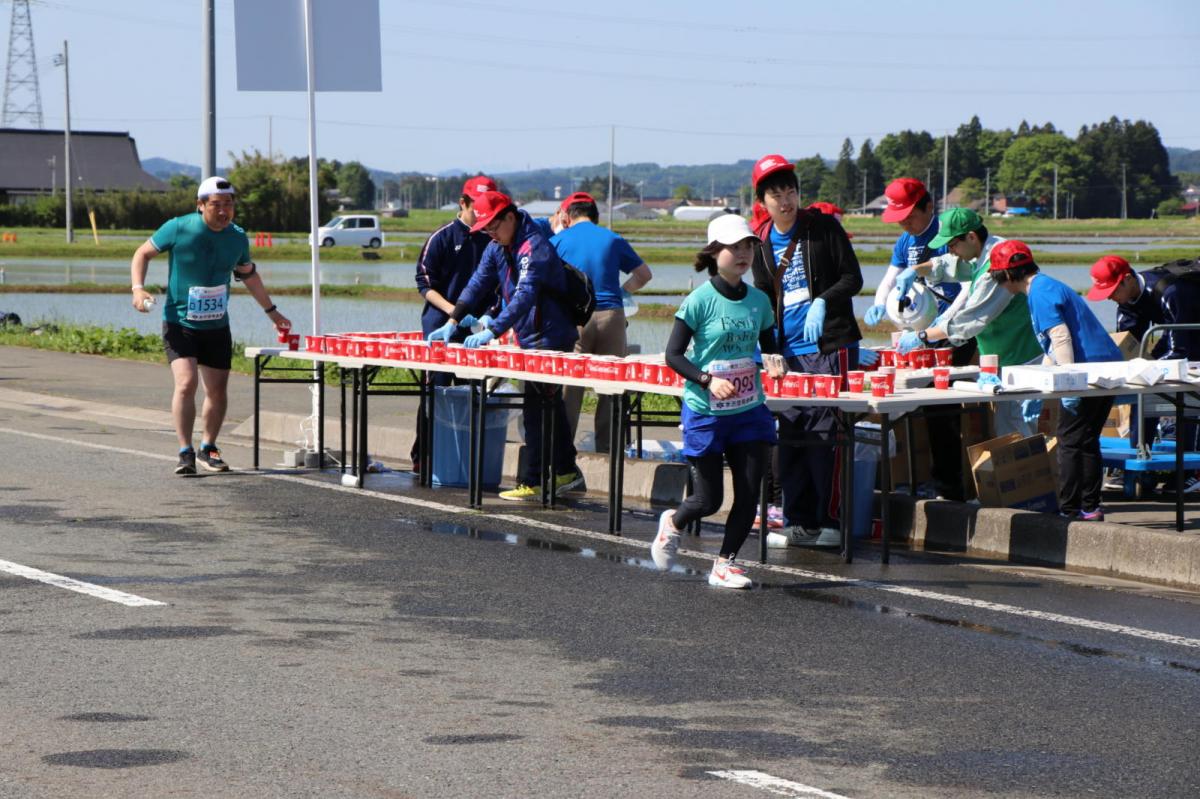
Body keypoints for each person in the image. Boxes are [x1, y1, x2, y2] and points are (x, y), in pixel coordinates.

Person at [651, 213, 782, 589]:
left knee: (749, 493)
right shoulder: (699, 301)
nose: (742, 254)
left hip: (749, 410)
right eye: (733, 247)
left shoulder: (759, 300)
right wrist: (708, 380)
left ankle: (724, 563)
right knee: (707, 501)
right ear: (714, 252)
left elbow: (769, 347)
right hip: (707, 410)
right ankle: (672, 523)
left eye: (748, 247)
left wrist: (775, 364)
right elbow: (674, 355)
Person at [131, 176, 290, 475]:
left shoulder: (237, 237)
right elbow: (143, 253)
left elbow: (249, 275)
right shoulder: (178, 227)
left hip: (217, 325)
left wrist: (273, 312)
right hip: (180, 321)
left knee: (217, 391)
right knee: (186, 383)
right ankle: (184, 451)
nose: (223, 211)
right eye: (216, 205)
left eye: (229, 205)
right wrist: (137, 289)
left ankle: (208, 446)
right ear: (200, 205)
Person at [431, 190, 584, 500]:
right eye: (485, 228)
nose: (490, 233)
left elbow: (526, 295)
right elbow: (478, 282)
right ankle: (567, 472)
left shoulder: (533, 246)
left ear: (510, 217)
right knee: (547, 406)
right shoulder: (498, 245)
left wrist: (494, 329)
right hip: (529, 335)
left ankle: (535, 479)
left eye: (493, 227)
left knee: (536, 408)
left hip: (550, 337)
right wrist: (452, 319)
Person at [748, 154, 864, 547]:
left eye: (790, 191)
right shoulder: (762, 242)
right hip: (788, 353)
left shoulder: (822, 228)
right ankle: (799, 521)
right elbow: (764, 299)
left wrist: (823, 301)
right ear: (762, 201)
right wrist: (766, 347)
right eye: (776, 194)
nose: (785, 200)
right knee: (791, 435)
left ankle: (829, 523)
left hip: (828, 344)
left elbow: (853, 277)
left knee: (825, 433)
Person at [991, 240, 1122, 520]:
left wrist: (1069, 383)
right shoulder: (1047, 285)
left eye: (999, 279)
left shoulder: (1038, 292)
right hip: (1106, 368)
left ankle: (1069, 509)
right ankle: (1090, 507)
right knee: (1086, 439)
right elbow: (1053, 345)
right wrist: (1040, 382)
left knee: (1069, 440)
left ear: (1009, 276)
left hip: (1087, 373)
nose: (1001, 285)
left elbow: (1060, 337)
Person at [892, 207, 1044, 437]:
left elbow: (969, 322)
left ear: (971, 236)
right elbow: (945, 264)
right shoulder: (981, 251)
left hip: (1022, 358)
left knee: (1019, 437)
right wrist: (914, 270)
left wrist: (921, 336)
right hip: (1001, 357)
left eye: (952, 245)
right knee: (1007, 433)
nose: (951, 251)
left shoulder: (996, 267)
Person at [870, 177, 971, 500]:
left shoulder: (946, 236)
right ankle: (913, 479)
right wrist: (877, 304)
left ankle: (948, 487)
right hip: (921, 331)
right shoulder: (905, 241)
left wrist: (945, 320)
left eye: (910, 216)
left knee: (942, 408)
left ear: (929, 206)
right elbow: (889, 279)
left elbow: (969, 288)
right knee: (911, 401)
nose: (905, 223)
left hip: (954, 332)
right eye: (899, 218)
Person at [551, 191, 653, 452]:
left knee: (570, 389)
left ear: (568, 216)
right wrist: (622, 291)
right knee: (611, 388)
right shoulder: (612, 238)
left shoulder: (558, 241)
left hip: (575, 319)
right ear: (594, 216)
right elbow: (643, 275)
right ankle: (609, 452)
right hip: (611, 317)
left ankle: (563, 452)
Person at [1088, 254, 1200, 490]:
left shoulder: (1171, 291)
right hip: (1179, 329)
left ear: (1127, 279)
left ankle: (1192, 471)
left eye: (1112, 290)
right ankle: (1141, 453)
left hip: (1193, 332)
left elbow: (1180, 350)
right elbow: (1126, 344)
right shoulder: (1128, 299)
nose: (1109, 297)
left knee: (1187, 394)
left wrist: (1146, 367)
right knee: (1141, 385)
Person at [410, 174, 498, 471]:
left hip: (476, 330)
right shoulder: (444, 237)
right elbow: (424, 282)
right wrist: (453, 313)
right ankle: (424, 455)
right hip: (441, 325)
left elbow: (502, 287)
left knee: (473, 393)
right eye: (477, 207)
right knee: (435, 391)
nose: (482, 214)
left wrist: (488, 318)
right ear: (463, 203)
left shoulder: (493, 239)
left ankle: (465, 460)